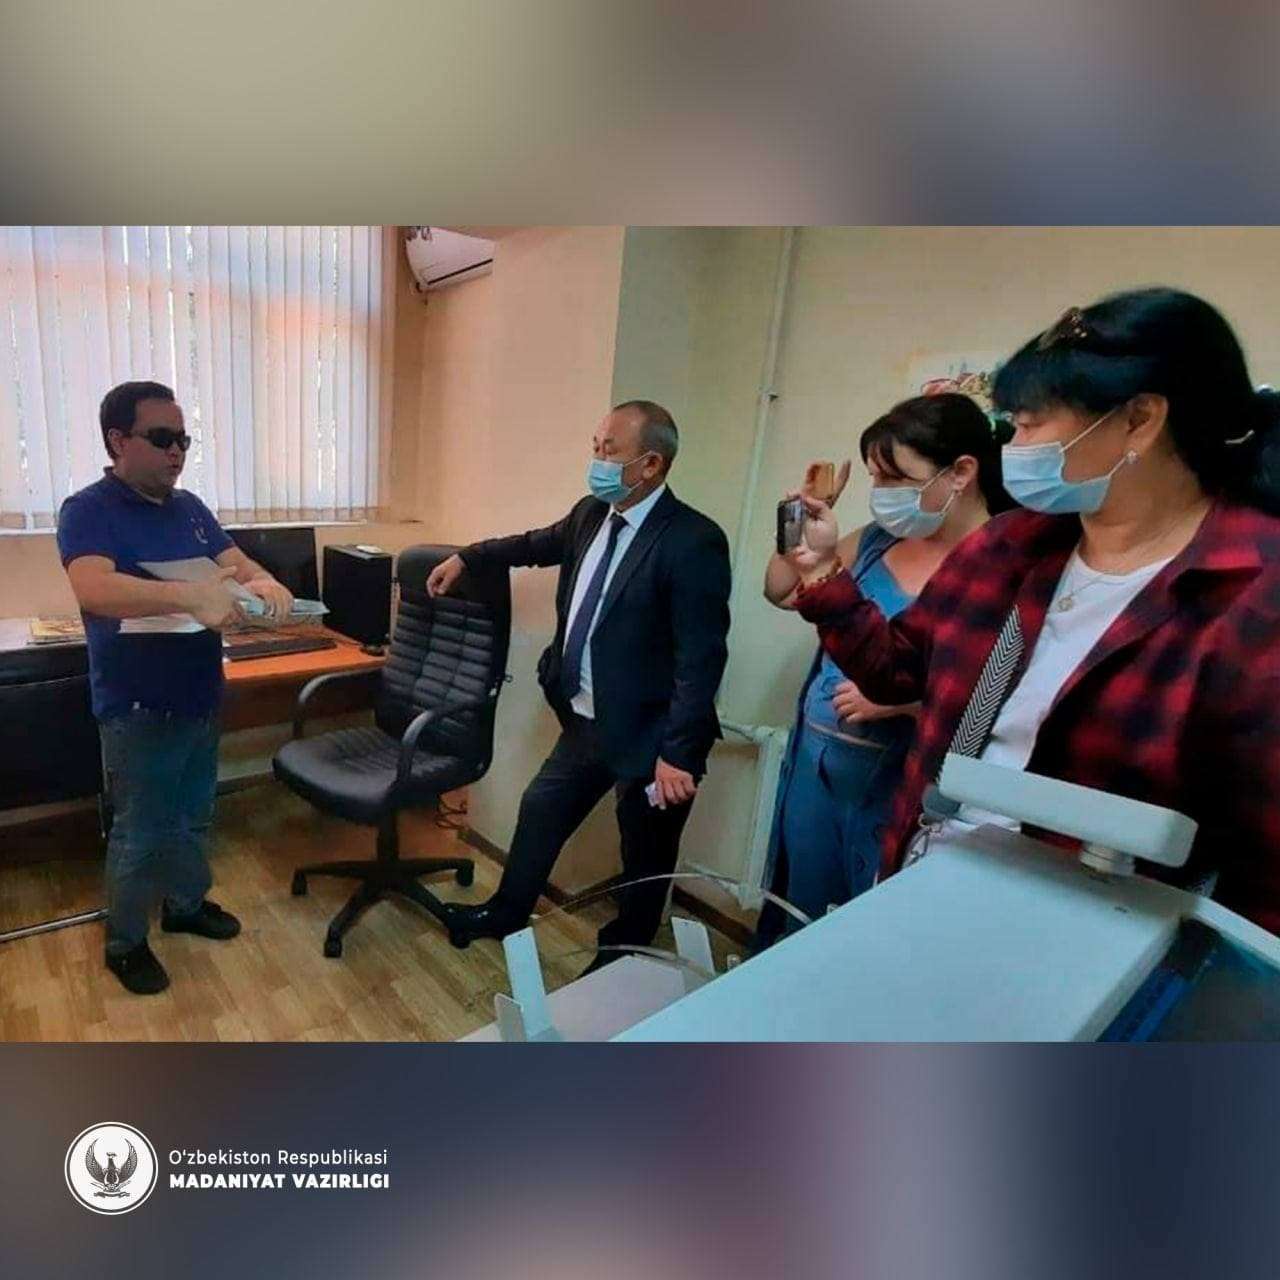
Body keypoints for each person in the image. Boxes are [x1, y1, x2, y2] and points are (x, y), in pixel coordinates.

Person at [785, 288, 1280, 934]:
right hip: (926, 881)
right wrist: (824, 574)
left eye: (1029, 424)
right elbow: (896, 671)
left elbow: (1263, 868)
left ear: (1139, 420)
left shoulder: (1253, 593)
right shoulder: (1011, 547)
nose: (1014, 446)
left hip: (1092, 939)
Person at [429, 400, 732, 971]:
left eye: (609, 450)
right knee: (541, 810)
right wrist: (468, 557)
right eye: (595, 446)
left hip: (653, 735)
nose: (597, 460)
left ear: (651, 464)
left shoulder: (693, 540)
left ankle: (624, 954)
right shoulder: (592, 514)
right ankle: (507, 914)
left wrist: (679, 753)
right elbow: (530, 545)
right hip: (586, 722)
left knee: (645, 855)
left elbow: (702, 657)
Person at [57, 381, 295, 995]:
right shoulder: (88, 509)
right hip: (138, 706)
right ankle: (125, 942)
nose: (176, 452)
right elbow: (94, 588)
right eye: (162, 438)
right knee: (140, 831)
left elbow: (236, 563)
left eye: (183, 440)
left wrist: (264, 582)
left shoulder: (189, 508)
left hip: (200, 694)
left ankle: (185, 906)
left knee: (194, 816)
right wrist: (188, 595)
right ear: (118, 441)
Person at [756, 394, 1010, 943]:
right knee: (800, 916)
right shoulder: (878, 541)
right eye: (875, 478)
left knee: (869, 929)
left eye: (895, 478)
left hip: (899, 784)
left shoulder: (998, 564)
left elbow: (1002, 700)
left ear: (961, 472)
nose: (882, 493)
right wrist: (799, 522)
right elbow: (782, 590)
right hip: (816, 765)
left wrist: (900, 699)